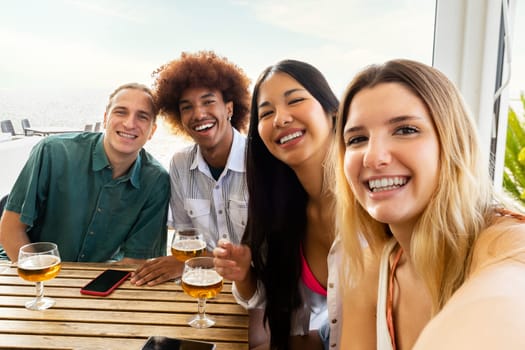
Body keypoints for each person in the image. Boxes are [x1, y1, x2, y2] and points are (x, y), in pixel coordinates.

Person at [333, 59, 525, 349]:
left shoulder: (506, 242)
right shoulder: (370, 269)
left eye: (405, 130)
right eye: (357, 139)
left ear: (452, 143)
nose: (373, 157)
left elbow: (506, 297)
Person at [213, 59, 341, 349]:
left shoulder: (372, 207)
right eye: (266, 113)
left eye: (295, 100)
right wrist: (244, 274)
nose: (280, 119)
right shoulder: (287, 212)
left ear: (332, 111)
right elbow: (299, 327)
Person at [0, 83, 170, 263]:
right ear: (105, 119)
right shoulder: (52, 152)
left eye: (142, 117)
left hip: (94, 281)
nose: (129, 123)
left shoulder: (156, 181)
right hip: (24, 267)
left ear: (152, 131)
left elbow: (134, 261)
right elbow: (10, 230)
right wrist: (46, 284)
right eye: (121, 112)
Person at [130, 50, 251, 286]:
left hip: (256, 290)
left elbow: (272, 254)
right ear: (179, 117)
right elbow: (185, 240)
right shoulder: (180, 164)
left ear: (229, 108)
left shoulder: (262, 162)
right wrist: (186, 263)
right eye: (187, 107)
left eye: (208, 102)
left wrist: (190, 262)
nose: (198, 114)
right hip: (201, 285)